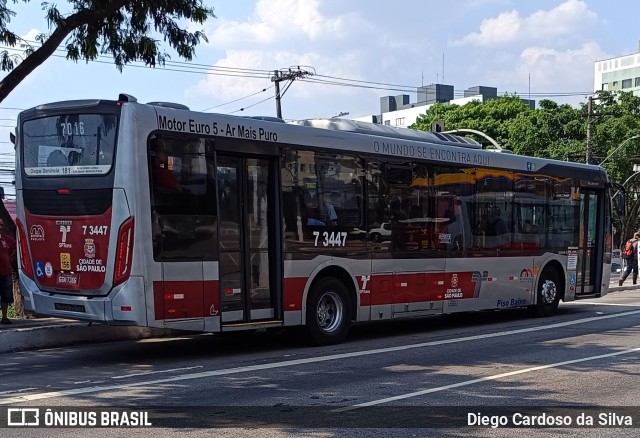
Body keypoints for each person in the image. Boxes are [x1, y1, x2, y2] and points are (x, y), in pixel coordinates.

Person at [0, 219, 16, 324]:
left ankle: (4, 317)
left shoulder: (5, 239)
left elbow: (15, 246)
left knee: (6, 296)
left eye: (1, 225)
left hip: (6, 272)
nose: (0, 227)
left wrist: (10, 258)